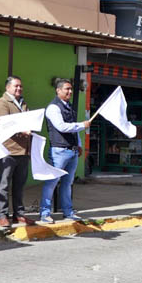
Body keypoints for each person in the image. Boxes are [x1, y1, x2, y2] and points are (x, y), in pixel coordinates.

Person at [39, 79, 89, 223]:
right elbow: (61, 127)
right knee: (51, 183)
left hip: (72, 151)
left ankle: (68, 212)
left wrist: (78, 144)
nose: (70, 91)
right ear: (58, 90)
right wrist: (82, 125)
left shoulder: (69, 106)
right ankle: (45, 213)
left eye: (71, 89)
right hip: (59, 151)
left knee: (68, 184)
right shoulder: (53, 108)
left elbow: (74, 130)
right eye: (67, 89)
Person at [0, 76, 33, 228]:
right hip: (7, 150)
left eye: (20, 86)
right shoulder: (1, 103)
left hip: (23, 151)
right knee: (4, 185)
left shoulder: (23, 103)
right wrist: (23, 129)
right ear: (7, 87)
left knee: (19, 185)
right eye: (16, 86)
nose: (19, 89)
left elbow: (28, 120)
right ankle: (2, 215)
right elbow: (5, 124)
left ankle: (19, 214)